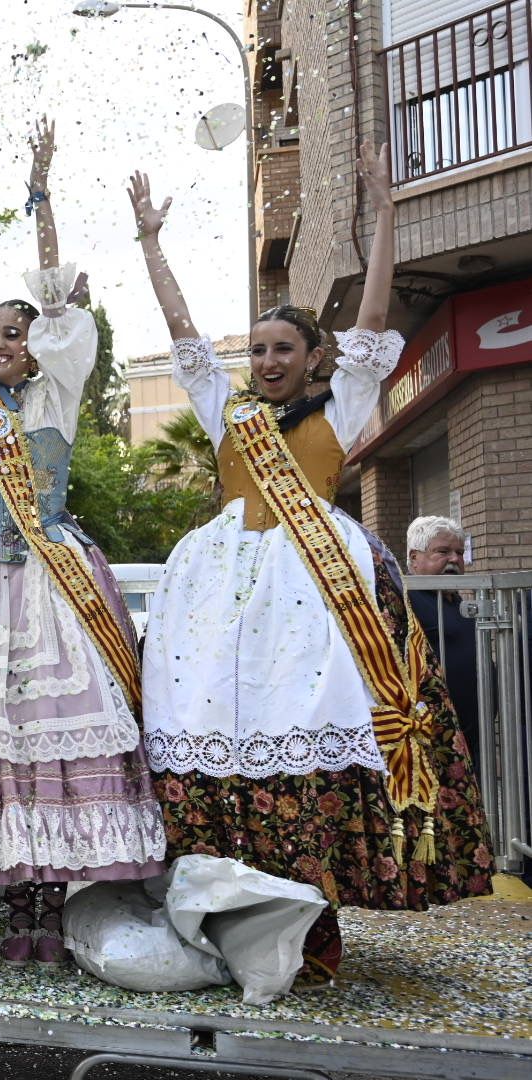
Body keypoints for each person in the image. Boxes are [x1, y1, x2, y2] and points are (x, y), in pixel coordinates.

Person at [131, 142, 493, 983]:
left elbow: (371, 321)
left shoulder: (349, 399)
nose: (265, 362)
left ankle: (313, 918)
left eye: (281, 349)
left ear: (312, 356)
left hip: (314, 588)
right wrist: (152, 244)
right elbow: (182, 331)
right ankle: (225, 910)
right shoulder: (228, 408)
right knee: (214, 740)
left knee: (305, 746)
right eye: (256, 350)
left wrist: (388, 213)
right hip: (217, 594)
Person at [0, 124, 165, 968]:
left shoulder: (56, 397)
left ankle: (53, 905)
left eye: (11, 333)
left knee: (52, 725)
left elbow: (58, 302)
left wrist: (41, 188)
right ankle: (13, 903)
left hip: (54, 573)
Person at [406, 516, 481, 768]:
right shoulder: (405, 602)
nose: (454, 559)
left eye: (459, 552)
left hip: (472, 733)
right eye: (443, 551)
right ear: (414, 558)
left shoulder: (456, 599)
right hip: (434, 736)